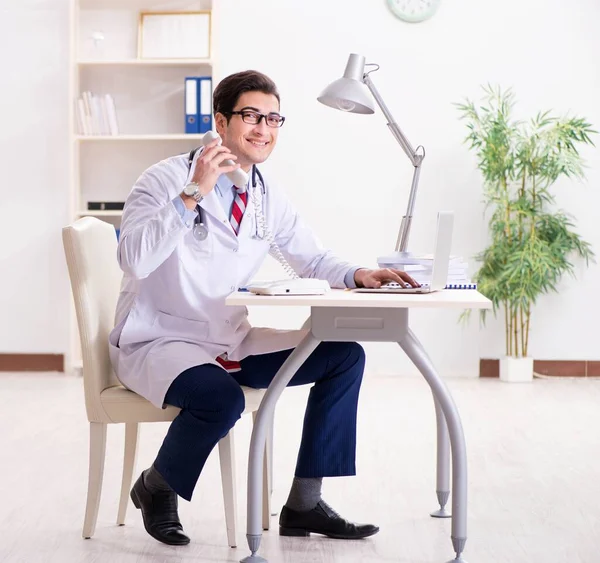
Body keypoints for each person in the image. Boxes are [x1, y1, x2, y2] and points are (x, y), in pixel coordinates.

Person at [108, 69, 418, 546]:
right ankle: (157, 486)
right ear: (221, 120)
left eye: (274, 119)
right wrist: (193, 193)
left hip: (229, 339)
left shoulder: (265, 194)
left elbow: (310, 257)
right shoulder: (165, 178)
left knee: (344, 356)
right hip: (161, 339)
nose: (264, 129)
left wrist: (359, 274)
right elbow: (132, 258)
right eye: (251, 116)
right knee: (222, 399)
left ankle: (304, 503)